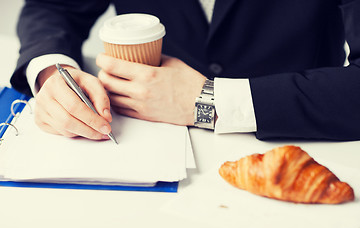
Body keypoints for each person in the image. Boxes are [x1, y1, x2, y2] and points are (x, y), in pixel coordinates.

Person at [10, 0, 360, 141]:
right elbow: (54, 7)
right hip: (139, 140)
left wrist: (209, 100)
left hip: (302, 139)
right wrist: (51, 71)